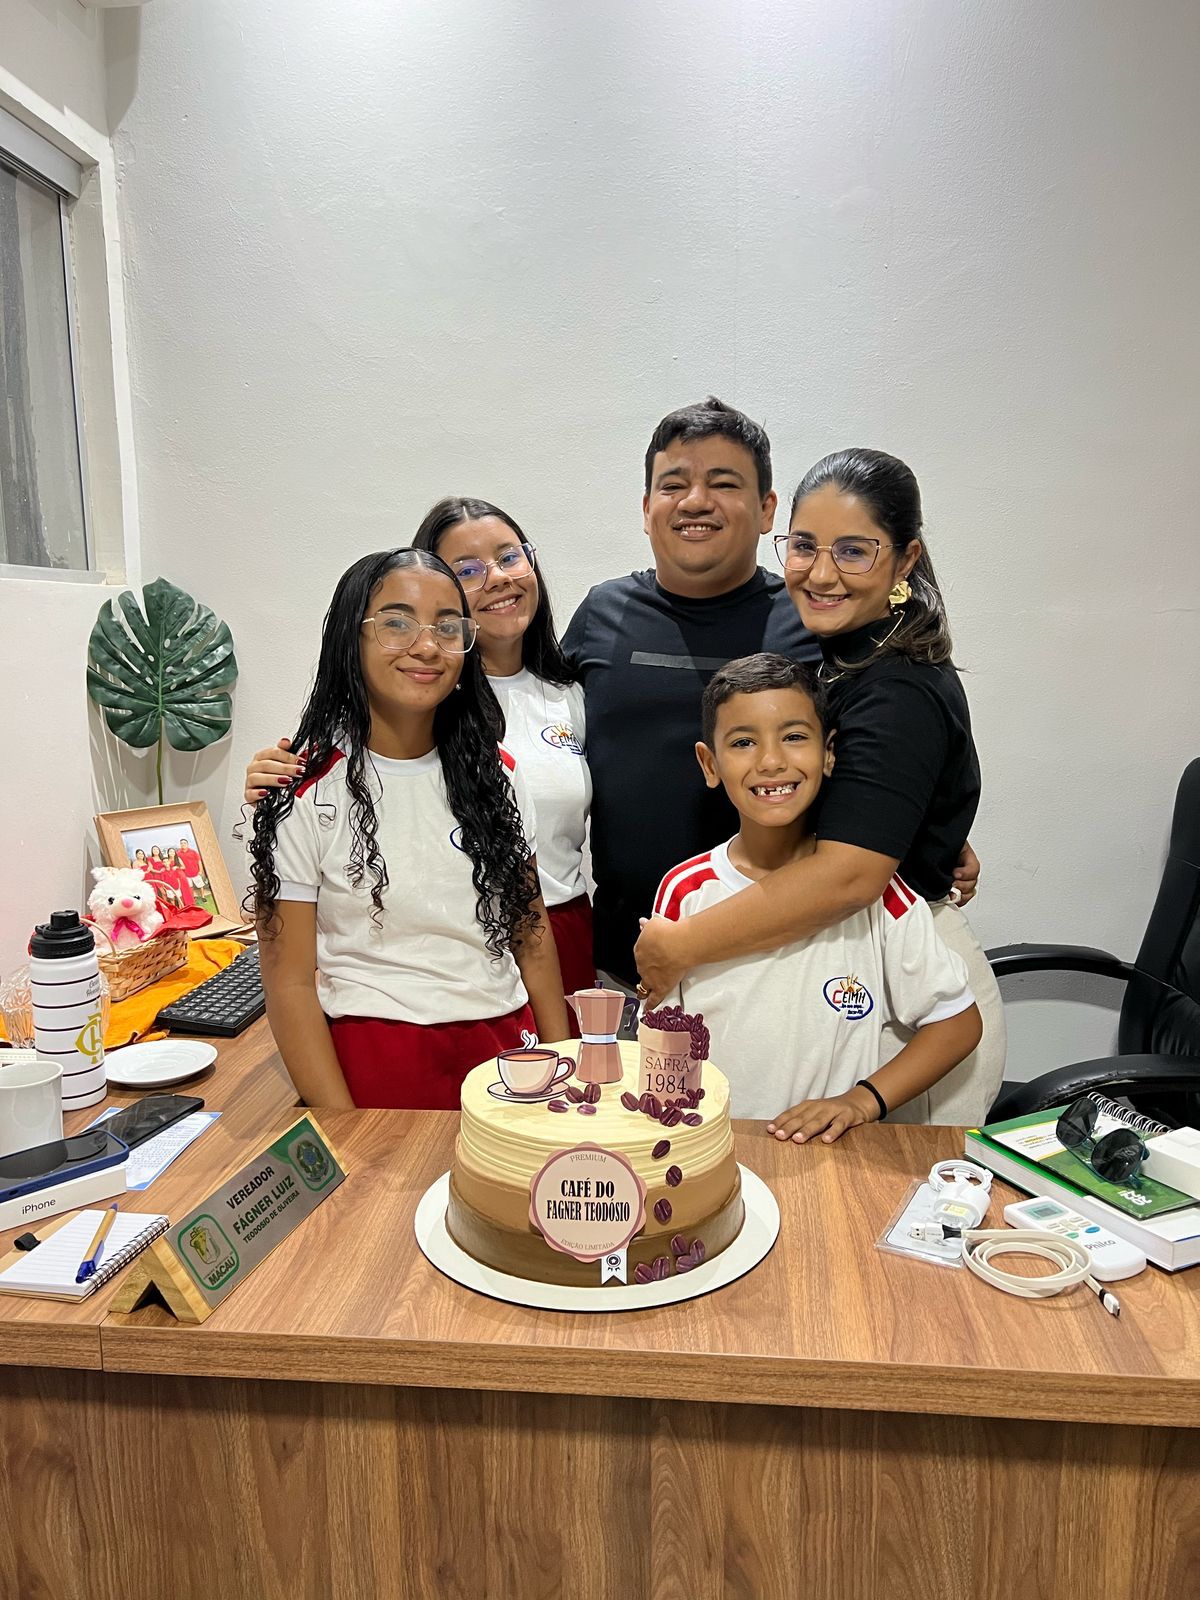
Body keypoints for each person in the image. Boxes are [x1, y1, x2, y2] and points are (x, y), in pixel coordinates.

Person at [636, 448, 1004, 1123]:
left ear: (906, 559)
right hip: (832, 958)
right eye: (804, 546)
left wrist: (681, 945)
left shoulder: (896, 688)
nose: (822, 572)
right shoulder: (849, 654)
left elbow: (850, 877)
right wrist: (931, 830)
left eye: (855, 551)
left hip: (901, 999)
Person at [249, 547, 569, 1110]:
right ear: (351, 637)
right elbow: (289, 983)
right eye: (396, 624)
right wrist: (341, 1126)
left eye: (447, 627)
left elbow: (531, 933)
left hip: (506, 1051)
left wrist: (562, 1068)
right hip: (376, 1062)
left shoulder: (499, 777)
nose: (426, 646)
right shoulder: (302, 790)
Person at [652, 654, 982, 1137]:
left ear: (829, 753)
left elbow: (957, 1023)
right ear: (710, 763)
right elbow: (665, 1043)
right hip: (714, 1146)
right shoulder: (685, 891)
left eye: (793, 737)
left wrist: (862, 1101)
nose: (771, 761)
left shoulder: (878, 895)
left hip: (830, 1153)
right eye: (743, 742)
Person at [562, 397, 819, 991]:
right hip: (627, 968)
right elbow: (521, 730)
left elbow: (872, 745)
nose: (696, 501)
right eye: (673, 485)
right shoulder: (603, 615)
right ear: (646, 507)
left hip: (782, 963)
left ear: (766, 510)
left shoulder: (808, 621)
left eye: (723, 483)